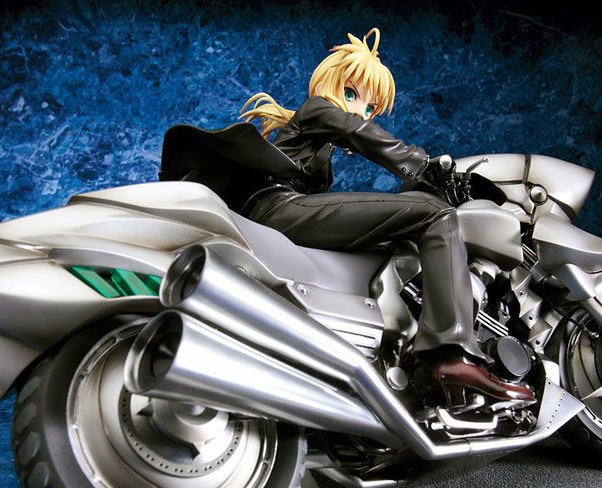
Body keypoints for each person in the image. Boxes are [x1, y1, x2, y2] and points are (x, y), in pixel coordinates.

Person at [160, 28, 533, 403]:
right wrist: (423, 165)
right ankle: (452, 354)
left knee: (395, 239)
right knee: (436, 215)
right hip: (277, 209)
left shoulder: (316, 144)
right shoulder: (316, 109)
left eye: (370, 108)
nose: (360, 110)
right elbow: (357, 131)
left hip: (280, 211)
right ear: (330, 83)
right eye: (352, 94)